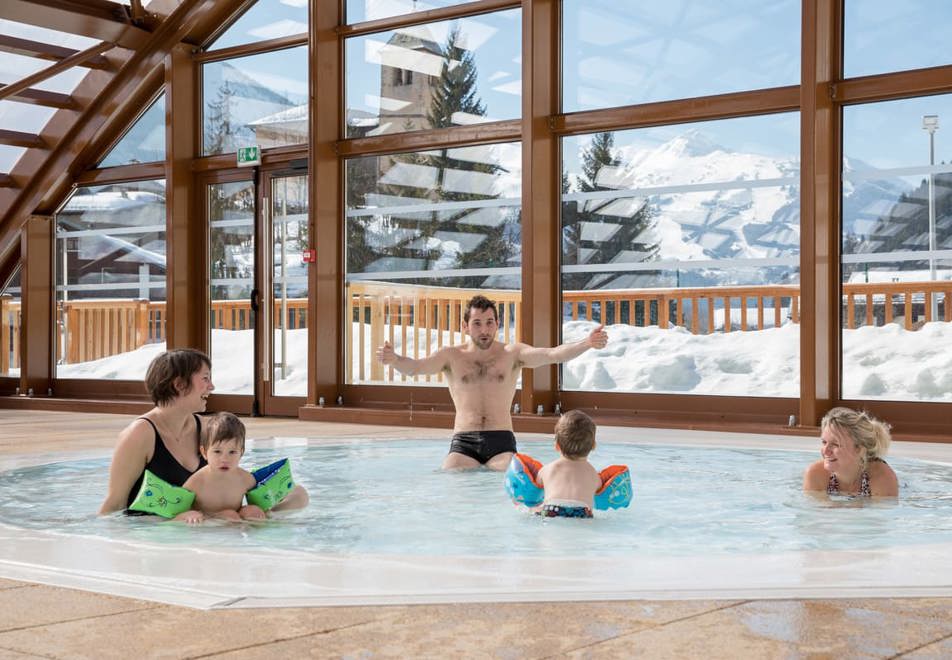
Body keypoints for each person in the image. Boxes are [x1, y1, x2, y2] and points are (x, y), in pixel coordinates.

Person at [376, 294, 608, 471]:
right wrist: (394, 359)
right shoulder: (451, 356)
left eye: (489, 322)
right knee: (450, 475)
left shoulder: (512, 353)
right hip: (463, 441)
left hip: (501, 441)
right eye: (477, 323)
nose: (484, 329)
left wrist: (587, 343)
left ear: (497, 324)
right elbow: (416, 368)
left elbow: (552, 354)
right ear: (465, 326)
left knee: (509, 473)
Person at [99, 349, 308, 517]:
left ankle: (262, 521)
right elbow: (115, 502)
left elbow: (231, 475)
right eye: (205, 378)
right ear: (179, 384)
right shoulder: (140, 434)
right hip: (163, 527)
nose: (212, 386)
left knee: (298, 494)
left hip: (208, 521)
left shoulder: (206, 428)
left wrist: (260, 506)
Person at [179, 412, 265, 523]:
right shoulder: (197, 482)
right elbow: (177, 512)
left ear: (241, 453)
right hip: (208, 522)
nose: (225, 459)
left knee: (253, 511)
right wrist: (188, 515)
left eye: (232, 452)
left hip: (234, 520)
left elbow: (265, 503)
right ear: (204, 452)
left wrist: (258, 511)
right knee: (230, 515)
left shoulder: (246, 479)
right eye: (217, 451)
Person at [802, 407, 898, 497]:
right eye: (824, 442)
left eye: (835, 444)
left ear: (859, 449)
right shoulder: (815, 474)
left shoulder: (883, 479)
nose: (826, 451)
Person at [535, 410, 603, 518]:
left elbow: (536, 487)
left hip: (552, 510)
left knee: (535, 509)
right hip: (582, 513)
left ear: (557, 446)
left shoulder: (547, 470)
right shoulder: (593, 474)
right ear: (593, 446)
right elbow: (600, 491)